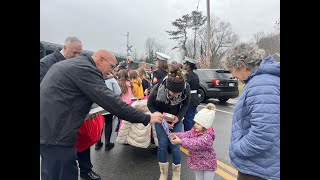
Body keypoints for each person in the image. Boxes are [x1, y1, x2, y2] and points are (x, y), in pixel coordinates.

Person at [40, 49, 163, 180]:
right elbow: (111, 101)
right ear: (100, 60)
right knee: (63, 175)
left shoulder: (74, 65)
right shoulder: (86, 70)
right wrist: (147, 117)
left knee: (51, 173)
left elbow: (67, 96)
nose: (111, 71)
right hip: (57, 134)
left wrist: (87, 111)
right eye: (111, 66)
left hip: (50, 129)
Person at [40, 37, 101, 180]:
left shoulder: (76, 64)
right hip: (55, 119)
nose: (77, 56)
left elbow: (84, 89)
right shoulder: (46, 63)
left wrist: (90, 108)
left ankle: (86, 170)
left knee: (81, 144)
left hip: (74, 115)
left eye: (80, 53)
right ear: (64, 48)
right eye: (74, 52)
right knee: (55, 159)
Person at [223, 43, 280, 180]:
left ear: (242, 65)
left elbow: (263, 134)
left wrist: (237, 149)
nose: (232, 76)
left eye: (232, 70)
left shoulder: (262, 84)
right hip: (263, 164)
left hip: (259, 169)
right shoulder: (264, 81)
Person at [147, 62, 191, 180]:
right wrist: (160, 117)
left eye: (179, 94)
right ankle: (163, 172)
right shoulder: (158, 88)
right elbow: (150, 104)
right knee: (162, 145)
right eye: (173, 93)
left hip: (176, 119)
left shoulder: (186, 87)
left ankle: (176, 173)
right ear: (167, 89)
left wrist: (178, 117)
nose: (177, 96)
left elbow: (186, 105)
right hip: (161, 119)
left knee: (175, 145)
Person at [170, 103, 217, 180]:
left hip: (208, 165)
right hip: (198, 162)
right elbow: (187, 134)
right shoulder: (196, 131)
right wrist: (176, 135)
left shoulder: (208, 136)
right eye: (195, 122)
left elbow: (196, 143)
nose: (195, 125)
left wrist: (181, 142)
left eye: (198, 123)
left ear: (205, 125)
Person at [95, 71, 121, 151]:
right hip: (108, 104)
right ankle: (107, 143)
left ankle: (97, 143)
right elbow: (118, 92)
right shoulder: (111, 79)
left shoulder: (95, 78)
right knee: (108, 122)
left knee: (99, 123)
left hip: (97, 104)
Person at [182, 57, 200, 131]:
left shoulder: (187, 75)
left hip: (190, 99)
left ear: (188, 66)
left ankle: (189, 136)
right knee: (192, 119)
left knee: (188, 120)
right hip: (195, 98)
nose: (183, 65)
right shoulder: (195, 75)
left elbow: (184, 87)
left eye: (185, 64)